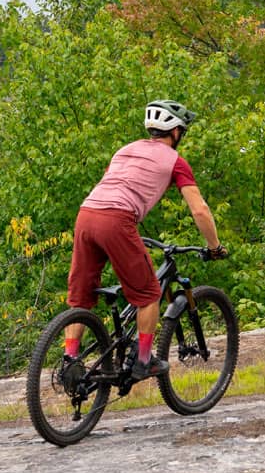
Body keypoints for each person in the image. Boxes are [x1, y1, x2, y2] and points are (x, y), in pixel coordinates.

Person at [64, 100, 224, 380]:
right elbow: (199, 209)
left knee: (81, 297)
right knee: (149, 294)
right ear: (175, 132)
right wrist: (214, 246)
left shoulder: (124, 151)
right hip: (117, 219)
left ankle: (70, 360)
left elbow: (112, 186)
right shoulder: (176, 161)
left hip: (86, 215)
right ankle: (143, 360)